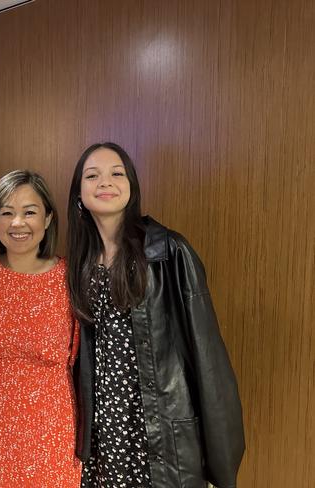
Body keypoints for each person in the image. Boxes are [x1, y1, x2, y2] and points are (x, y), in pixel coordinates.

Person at [66, 142, 245, 488]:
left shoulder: (167, 253)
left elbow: (208, 363)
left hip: (159, 441)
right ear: (78, 194)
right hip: (105, 442)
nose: (105, 182)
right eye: (93, 176)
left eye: (117, 174)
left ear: (131, 187)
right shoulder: (81, 266)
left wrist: (219, 469)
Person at [0, 170, 81, 488]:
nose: (18, 223)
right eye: (7, 212)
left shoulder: (69, 278)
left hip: (52, 427)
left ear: (48, 219)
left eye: (30, 212)